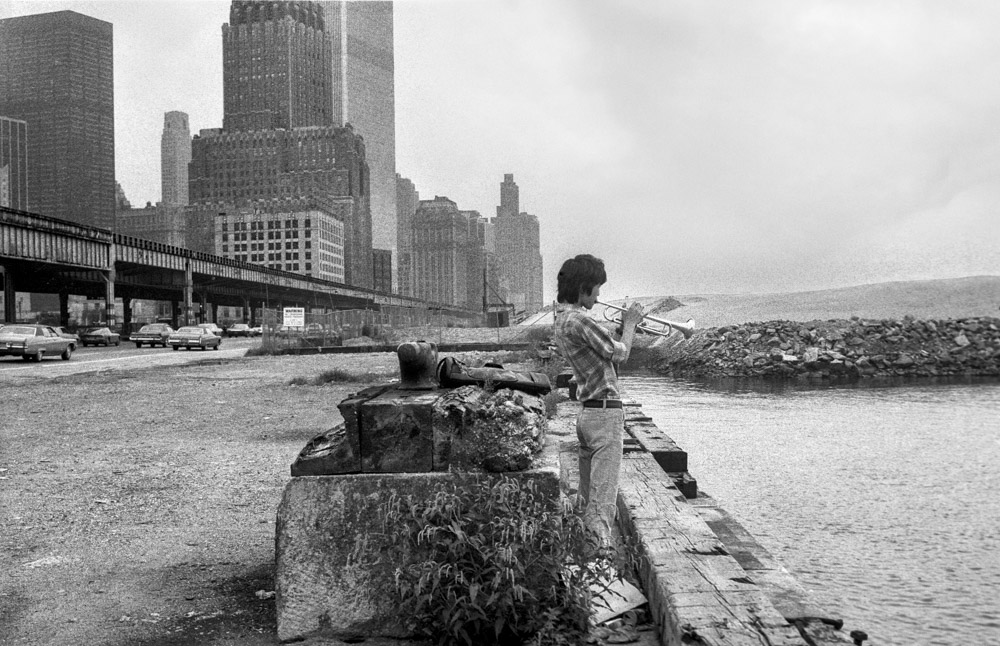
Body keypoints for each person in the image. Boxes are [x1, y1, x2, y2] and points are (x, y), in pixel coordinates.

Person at [553, 254, 644, 548]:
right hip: (604, 417)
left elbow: (603, 353)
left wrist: (619, 332)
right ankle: (597, 572)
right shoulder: (579, 319)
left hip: (588, 415)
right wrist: (630, 325)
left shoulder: (563, 320)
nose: (600, 294)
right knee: (602, 505)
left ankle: (584, 562)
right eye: (597, 288)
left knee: (585, 499)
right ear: (583, 288)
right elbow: (621, 354)